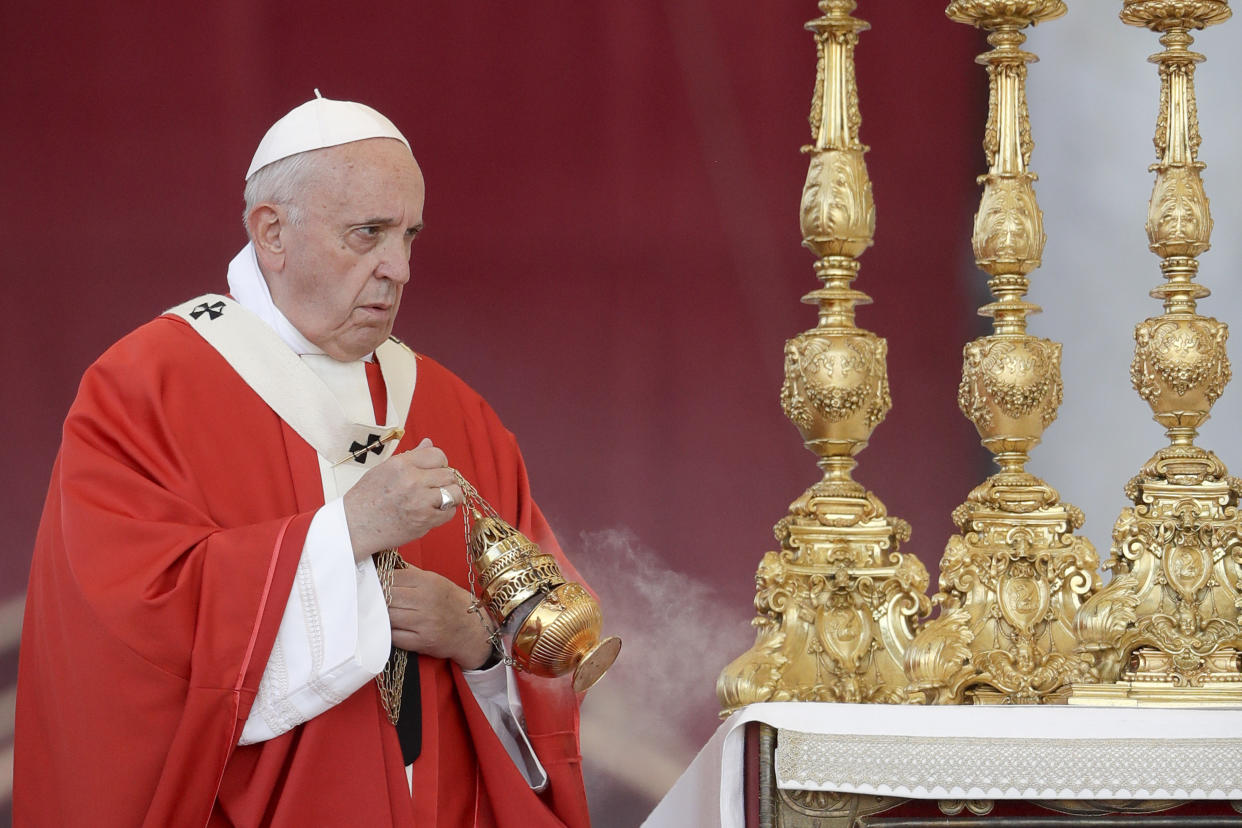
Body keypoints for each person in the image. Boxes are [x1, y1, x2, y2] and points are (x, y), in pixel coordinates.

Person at [15, 94, 592, 827]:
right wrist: (343, 533)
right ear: (272, 232)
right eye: (368, 234)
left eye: (409, 235)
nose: (400, 268)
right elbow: (116, 644)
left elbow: (555, 636)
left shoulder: (453, 411)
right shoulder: (145, 391)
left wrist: (475, 641)